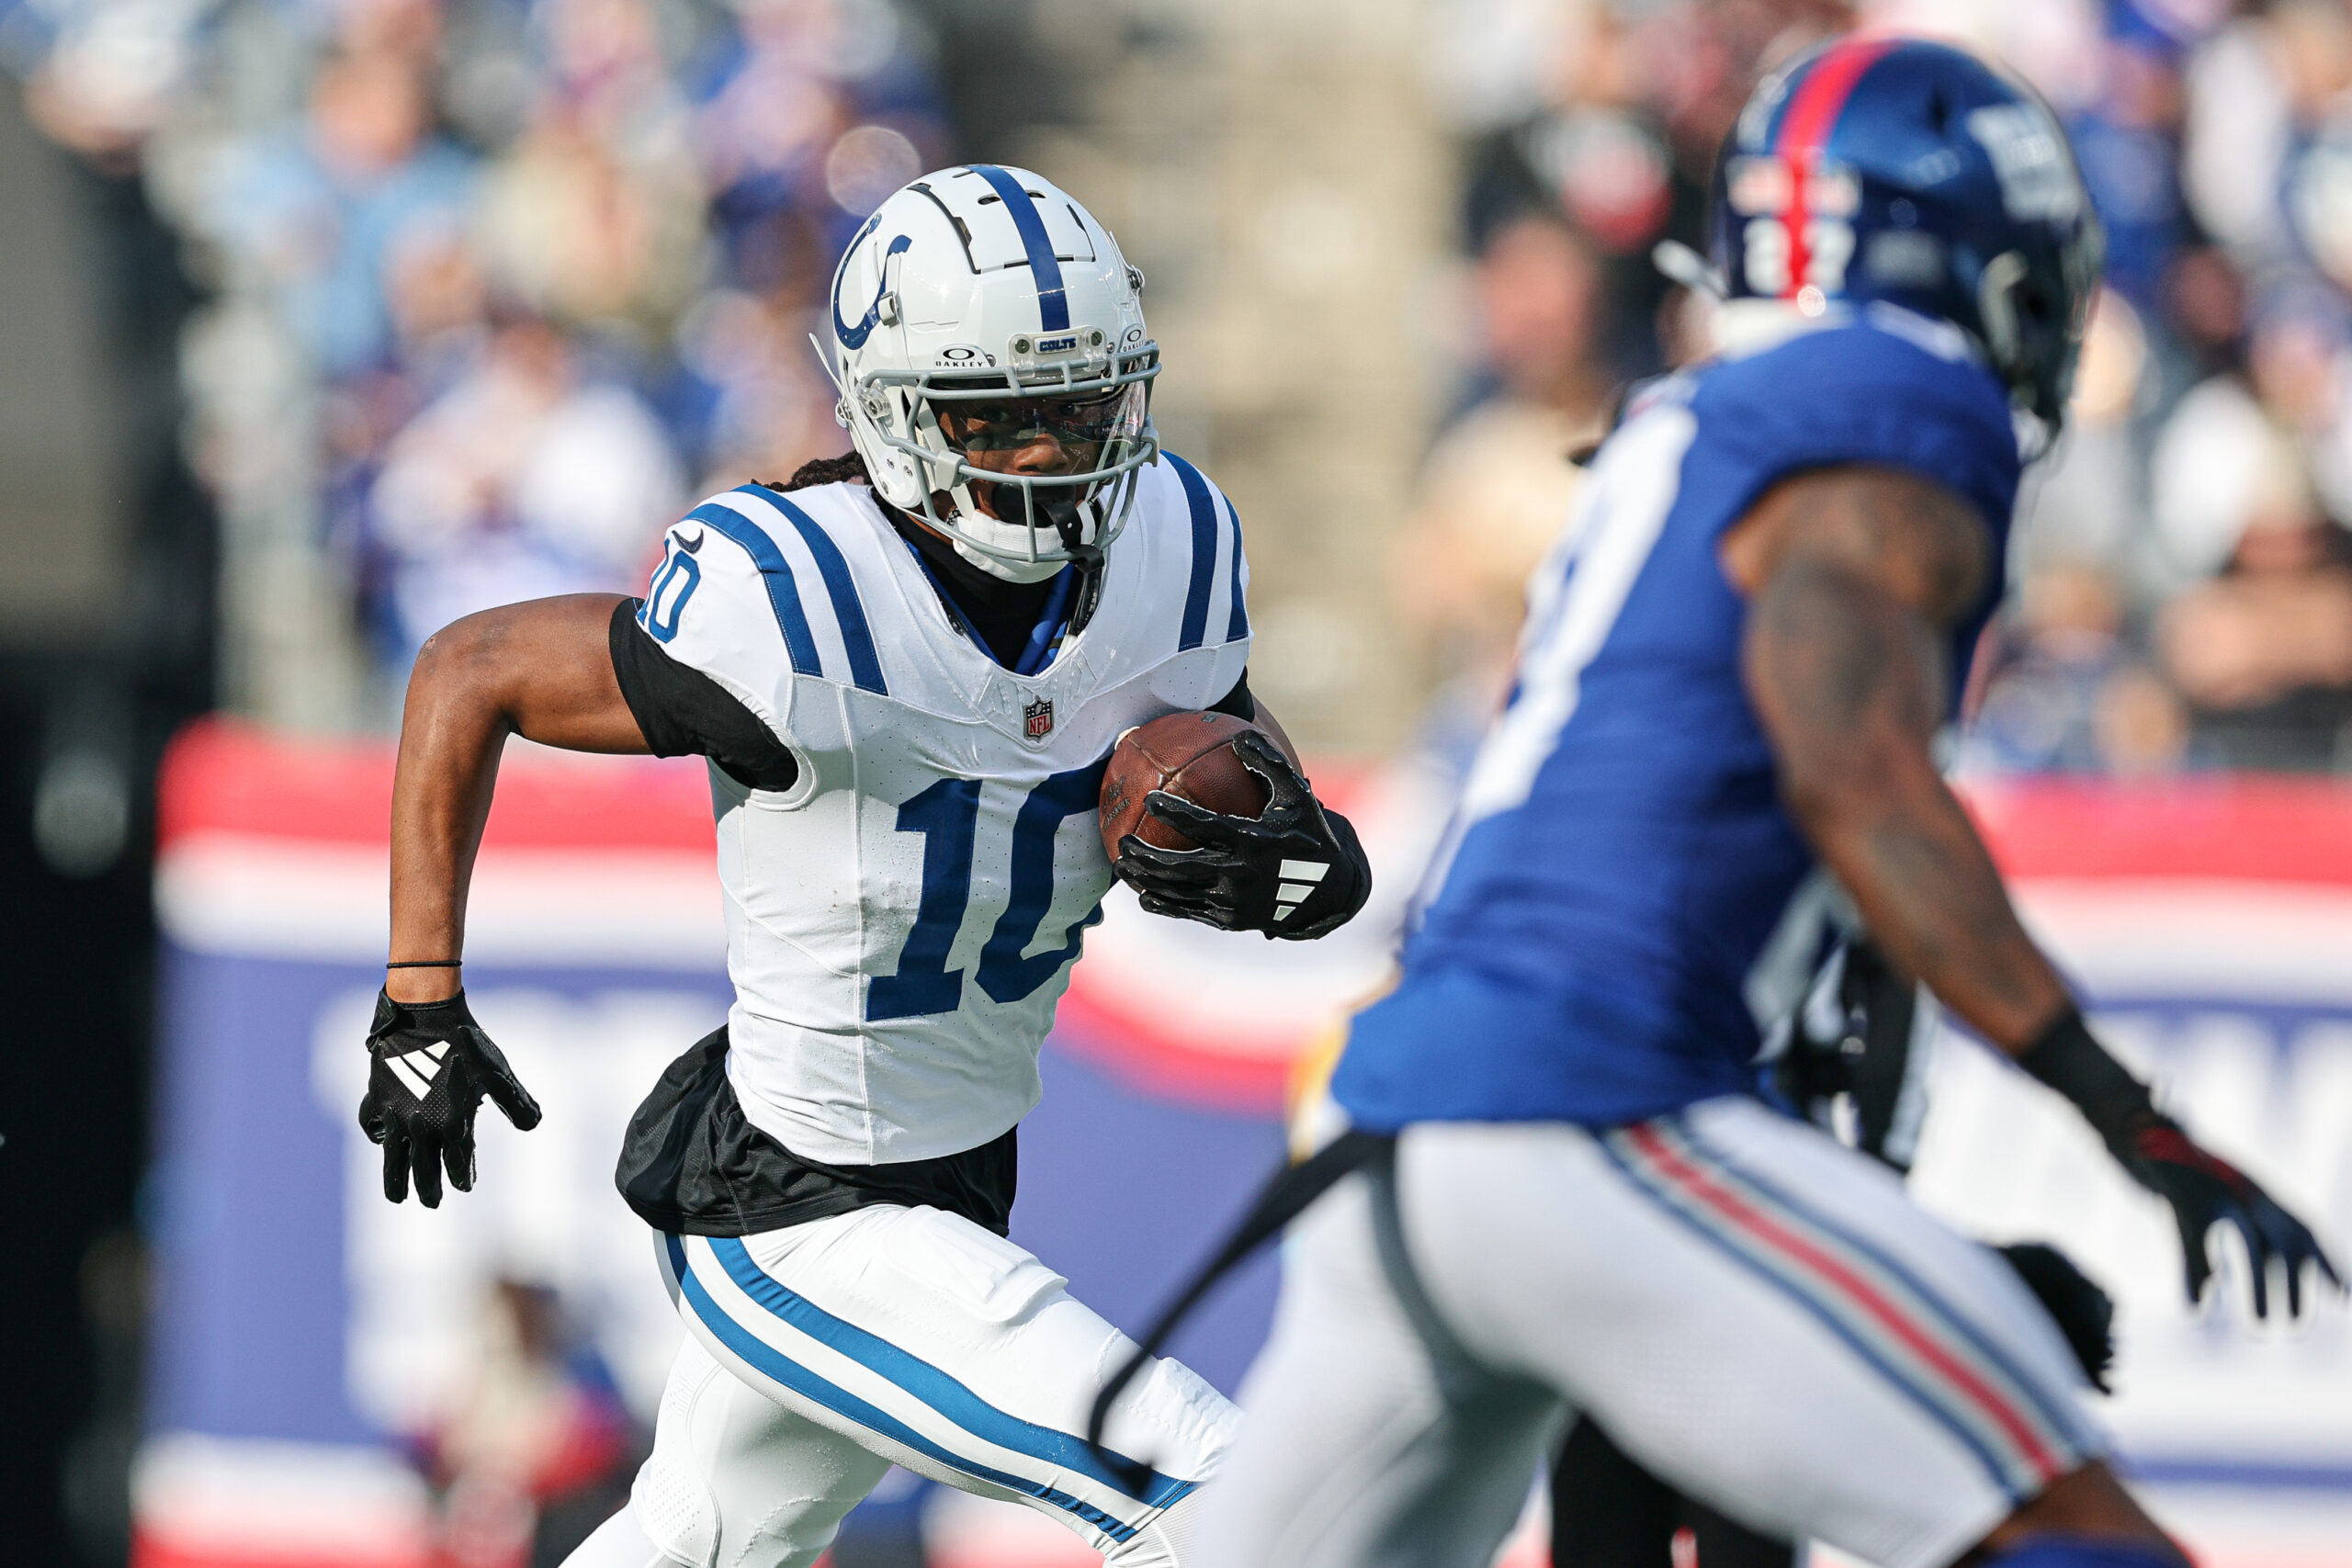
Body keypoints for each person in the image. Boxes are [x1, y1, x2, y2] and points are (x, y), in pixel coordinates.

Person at [1191, 39, 2337, 1568]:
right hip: (1589, 1116)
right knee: (2083, 1538)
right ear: (1967, 261)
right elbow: (1855, 782)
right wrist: (2128, 1118)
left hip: (1396, 1134)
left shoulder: (1688, 423)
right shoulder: (1896, 408)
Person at [351, 164, 1373, 1568]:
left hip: (951, 1176)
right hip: (801, 1210)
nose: (1051, 455)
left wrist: (1289, 823)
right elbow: (469, 667)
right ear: (894, 412)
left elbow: (1210, 722)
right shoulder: (789, 607)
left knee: (695, 1547)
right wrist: (419, 996)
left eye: (1080, 407)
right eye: (1000, 422)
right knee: (1216, 1490)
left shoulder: (1173, 550)